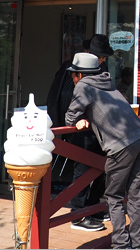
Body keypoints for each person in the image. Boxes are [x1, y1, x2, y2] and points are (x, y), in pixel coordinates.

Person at [65, 53, 140, 250]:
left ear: (79, 74)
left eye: (73, 74)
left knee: (114, 196)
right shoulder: (107, 82)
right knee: (136, 196)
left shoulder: (83, 86)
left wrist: (79, 119)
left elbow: (70, 117)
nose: (72, 78)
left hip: (122, 145)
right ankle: (136, 245)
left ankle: (120, 245)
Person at [49, 34, 111, 231]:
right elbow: (63, 98)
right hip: (79, 127)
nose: (102, 61)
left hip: (97, 128)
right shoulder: (74, 70)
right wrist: (74, 121)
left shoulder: (98, 70)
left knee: (102, 167)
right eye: (100, 57)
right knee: (82, 169)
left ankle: (92, 208)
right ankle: (78, 214)